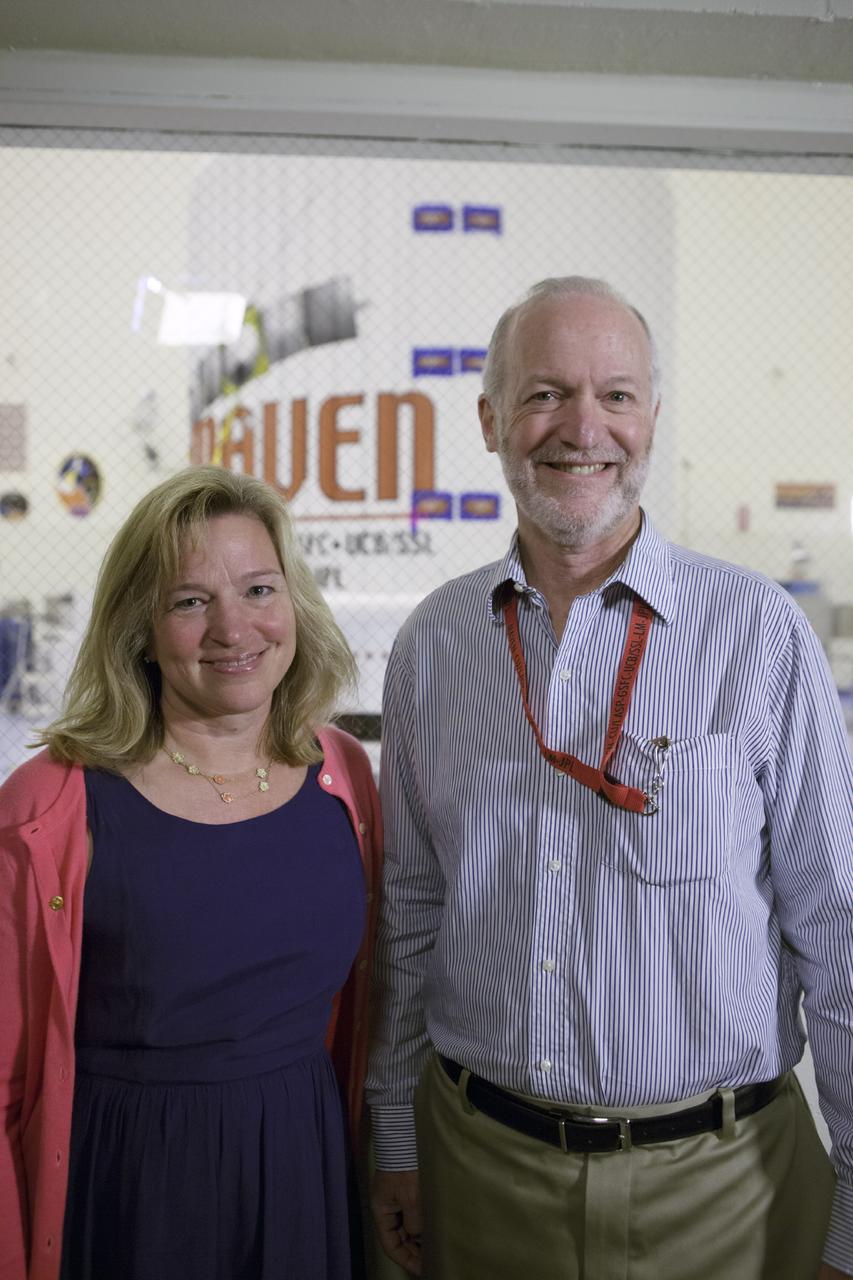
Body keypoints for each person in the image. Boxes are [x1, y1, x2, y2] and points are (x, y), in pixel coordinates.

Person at [366, 276, 853, 1280]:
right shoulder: (435, 647)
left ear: (651, 418)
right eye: (544, 392)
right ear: (491, 418)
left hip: (728, 1193)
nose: (582, 425)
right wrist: (399, 1141)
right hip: (481, 1173)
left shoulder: (756, 634)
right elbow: (412, 913)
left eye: (616, 395)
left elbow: (837, 927)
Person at [0, 465, 381, 1280]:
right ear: (139, 624)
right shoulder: (49, 806)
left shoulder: (342, 775)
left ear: (293, 603)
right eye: (189, 601)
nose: (232, 628)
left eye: (257, 589)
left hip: (301, 1174)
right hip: (127, 1189)